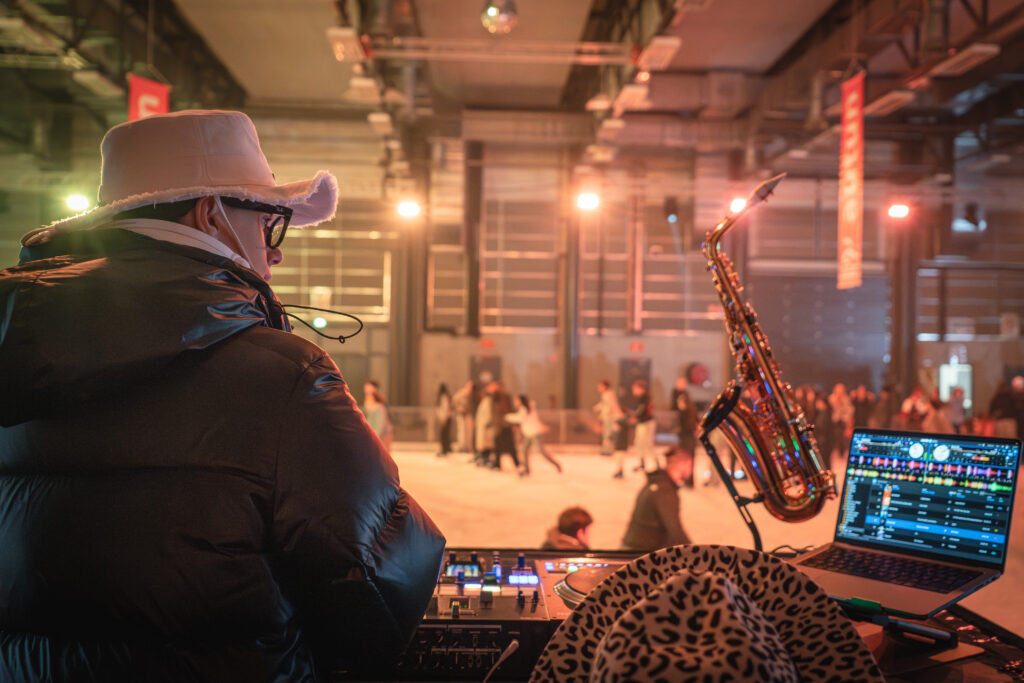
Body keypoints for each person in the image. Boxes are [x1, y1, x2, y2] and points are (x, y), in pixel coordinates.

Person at [0, 110, 444, 680]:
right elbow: (378, 597)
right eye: (268, 225)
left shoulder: (14, 352)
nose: (274, 252)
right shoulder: (283, 377)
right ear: (210, 215)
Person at [621, 447, 693, 552]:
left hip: (636, 546)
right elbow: (674, 528)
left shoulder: (657, 482)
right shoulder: (665, 490)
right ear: (681, 464)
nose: (691, 469)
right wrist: (693, 551)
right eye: (689, 465)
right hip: (639, 552)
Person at [506, 394, 562, 476]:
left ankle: (556, 464)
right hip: (529, 434)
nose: (515, 402)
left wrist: (507, 417)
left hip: (535, 434)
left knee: (540, 451)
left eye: (517, 400)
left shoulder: (527, 409)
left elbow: (520, 418)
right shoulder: (525, 409)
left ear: (521, 401)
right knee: (524, 450)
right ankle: (526, 469)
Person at [669, 376, 697, 487]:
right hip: (688, 438)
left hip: (687, 439)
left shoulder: (686, 414)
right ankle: (688, 480)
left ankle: (688, 480)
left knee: (687, 460)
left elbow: (687, 427)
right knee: (688, 460)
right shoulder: (688, 412)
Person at [593, 379, 623, 456]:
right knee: (607, 434)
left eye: (600, 386)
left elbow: (610, 407)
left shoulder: (608, 395)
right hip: (608, 418)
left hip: (609, 418)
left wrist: (604, 415)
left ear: (605, 386)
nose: (599, 388)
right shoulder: (607, 394)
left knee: (608, 435)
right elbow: (603, 405)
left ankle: (607, 450)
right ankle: (606, 449)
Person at [364, 385, 395, 451]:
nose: (366, 402)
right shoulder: (372, 410)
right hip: (378, 435)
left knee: (384, 456)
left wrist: (376, 437)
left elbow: (380, 424)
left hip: (384, 435)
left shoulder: (379, 408)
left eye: (368, 399)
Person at [452, 379, 475, 454]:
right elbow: (454, 402)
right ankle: (462, 446)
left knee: (469, 432)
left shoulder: (472, 394)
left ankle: (468, 446)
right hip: (461, 415)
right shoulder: (461, 393)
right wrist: (458, 409)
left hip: (468, 415)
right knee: (462, 431)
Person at [435, 382, 453, 457]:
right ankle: (445, 449)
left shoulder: (443, 397)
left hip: (445, 418)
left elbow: (445, 409)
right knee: (445, 435)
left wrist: (443, 419)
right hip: (446, 418)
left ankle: (444, 450)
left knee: (443, 435)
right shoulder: (446, 397)